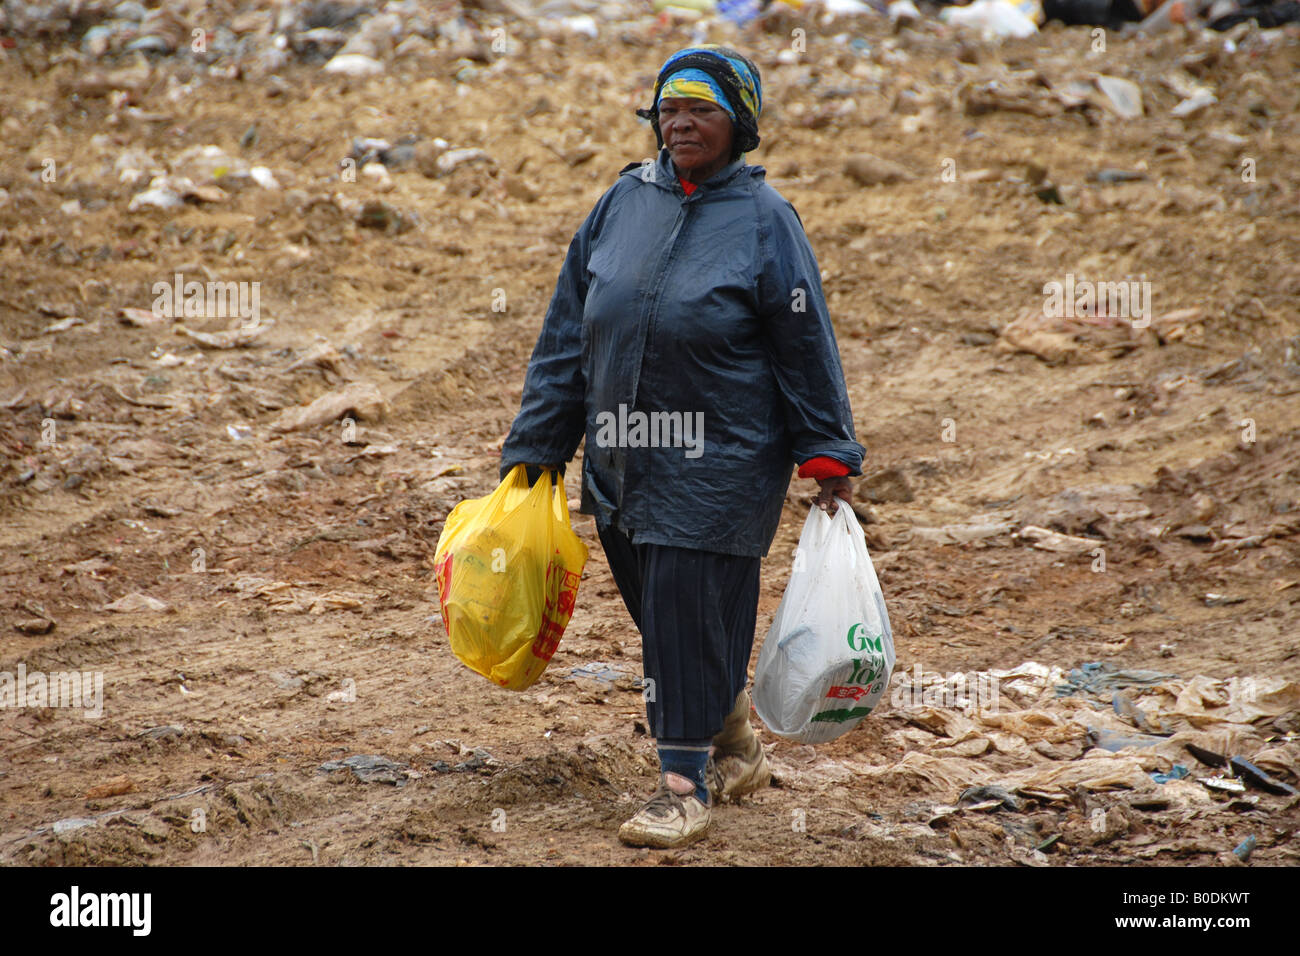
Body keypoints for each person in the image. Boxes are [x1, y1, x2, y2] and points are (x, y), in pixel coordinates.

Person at [500, 45, 863, 848]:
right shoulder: (620, 204)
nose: (681, 123)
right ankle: (735, 748)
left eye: (700, 109)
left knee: (684, 609)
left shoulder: (767, 224)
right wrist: (537, 445)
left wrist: (827, 452)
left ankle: (680, 787)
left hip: (721, 460)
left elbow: (804, 344)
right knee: (667, 621)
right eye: (669, 109)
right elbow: (569, 335)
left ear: (739, 122)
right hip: (624, 458)